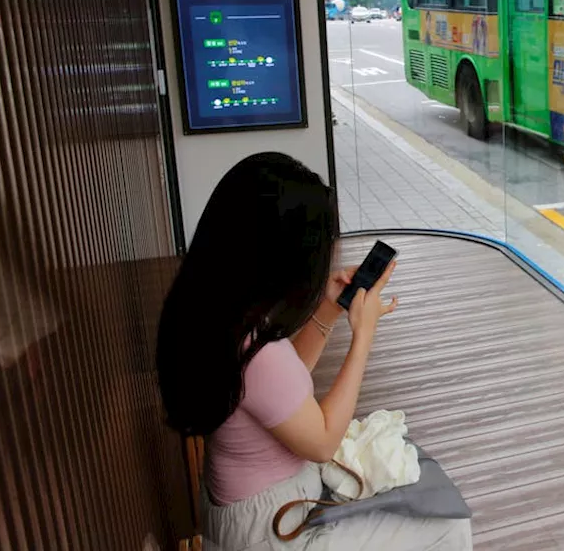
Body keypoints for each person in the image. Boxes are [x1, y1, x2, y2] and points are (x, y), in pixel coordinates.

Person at [155, 152, 471, 550]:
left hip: (243, 512)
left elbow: (279, 393)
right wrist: (363, 336)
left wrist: (328, 310)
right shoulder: (254, 345)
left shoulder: (213, 309)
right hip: (273, 530)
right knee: (447, 527)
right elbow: (321, 440)